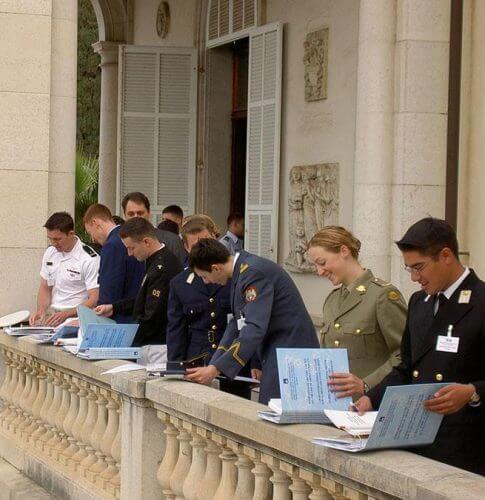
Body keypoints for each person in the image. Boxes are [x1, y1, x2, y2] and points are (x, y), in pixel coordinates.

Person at [354, 218, 485, 475]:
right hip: (417, 442)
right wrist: (371, 398)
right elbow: (406, 366)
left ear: (445, 255)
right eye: (409, 269)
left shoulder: (481, 302)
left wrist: (472, 392)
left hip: (466, 449)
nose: (415, 278)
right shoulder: (419, 303)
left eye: (419, 267)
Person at [185, 239, 319, 404]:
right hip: (275, 349)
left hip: (290, 352)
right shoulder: (242, 272)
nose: (206, 282)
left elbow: (254, 327)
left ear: (215, 268)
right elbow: (237, 323)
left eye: (204, 277)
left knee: (275, 410)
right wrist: (214, 364)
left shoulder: (253, 273)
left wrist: (216, 369)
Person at [307, 226, 407, 398]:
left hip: (371, 405)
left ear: (344, 251)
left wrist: (366, 384)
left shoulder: (382, 295)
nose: (320, 271)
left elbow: (405, 354)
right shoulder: (331, 301)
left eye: (322, 263)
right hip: (337, 406)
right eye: (316, 265)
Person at [167, 216, 253, 398]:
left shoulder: (236, 276)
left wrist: (256, 363)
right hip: (198, 358)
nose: (203, 252)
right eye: (196, 246)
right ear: (186, 248)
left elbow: (252, 323)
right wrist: (175, 368)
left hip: (234, 358)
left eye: (207, 242)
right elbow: (176, 329)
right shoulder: (180, 283)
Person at [95, 217, 182, 346]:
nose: (129, 254)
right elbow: (143, 299)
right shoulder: (155, 261)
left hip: (157, 344)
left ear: (146, 242)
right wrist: (114, 308)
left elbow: (152, 317)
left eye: (132, 248)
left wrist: (124, 339)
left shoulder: (161, 268)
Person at [29, 212, 100, 327]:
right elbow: (45, 287)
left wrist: (67, 314)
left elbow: (94, 298)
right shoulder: (50, 252)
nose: (53, 243)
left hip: (76, 318)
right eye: (50, 239)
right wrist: (41, 310)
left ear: (71, 234)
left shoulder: (88, 258)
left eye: (57, 239)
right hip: (53, 318)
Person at [83, 203, 145, 322]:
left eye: (91, 233)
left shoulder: (111, 245)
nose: (93, 239)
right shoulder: (127, 237)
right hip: (135, 313)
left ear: (96, 224)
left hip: (118, 319)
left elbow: (109, 291)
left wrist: (97, 316)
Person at [121, 192, 186, 264]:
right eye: (131, 214)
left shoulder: (171, 241)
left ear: (149, 213)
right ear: (124, 215)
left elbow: (181, 272)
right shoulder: (118, 244)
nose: (136, 217)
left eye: (140, 213)